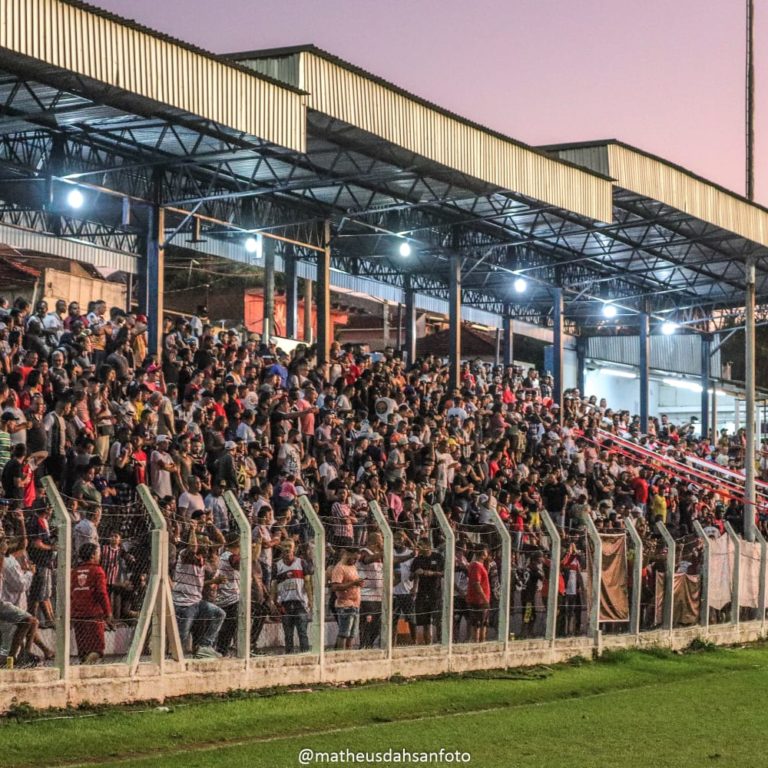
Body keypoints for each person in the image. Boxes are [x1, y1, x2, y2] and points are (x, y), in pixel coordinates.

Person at [171, 523, 226, 658]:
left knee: (219, 614)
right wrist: (192, 530)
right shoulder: (185, 555)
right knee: (181, 638)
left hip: (196, 602)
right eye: (204, 543)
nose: (207, 546)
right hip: (184, 604)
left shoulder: (202, 561)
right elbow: (192, 548)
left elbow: (200, 585)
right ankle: (173, 661)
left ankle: (205, 645)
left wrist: (214, 582)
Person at [70, 542, 113, 664]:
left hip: (77, 614)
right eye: (98, 553)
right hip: (93, 614)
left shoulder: (75, 571)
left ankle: (83, 667)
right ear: (93, 555)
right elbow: (101, 593)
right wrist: (108, 612)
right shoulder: (97, 571)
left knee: (83, 650)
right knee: (98, 650)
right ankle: (85, 668)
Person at [271, 540, 313, 654]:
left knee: (302, 633)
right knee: (288, 634)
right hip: (285, 603)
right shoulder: (277, 565)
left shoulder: (302, 563)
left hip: (300, 602)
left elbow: (308, 583)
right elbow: (273, 585)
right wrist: (273, 602)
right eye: (284, 546)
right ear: (281, 547)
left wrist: (311, 599)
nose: (287, 548)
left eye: (289, 546)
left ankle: (305, 655)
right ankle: (289, 655)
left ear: (294, 548)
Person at [410, 538, 444, 645]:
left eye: (420, 545)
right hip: (422, 594)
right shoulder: (417, 560)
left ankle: (440, 642)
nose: (418, 547)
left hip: (435, 593)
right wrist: (416, 573)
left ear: (427, 546)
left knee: (438, 620)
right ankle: (426, 644)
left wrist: (431, 573)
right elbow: (410, 577)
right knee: (424, 622)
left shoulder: (438, 557)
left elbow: (444, 572)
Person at [330, 546, 363, 650]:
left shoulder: (352, 566)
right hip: (345, 604)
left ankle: (347, 654)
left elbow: (352, 582)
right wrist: (353, 583)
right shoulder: (339, 568)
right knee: (344, 633)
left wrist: (358, 583)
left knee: (351, 635)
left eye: (357, 559)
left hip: (355, 604)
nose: (354, 561)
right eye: (353, 558)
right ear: (346, 554)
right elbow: (335, 587)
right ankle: (340, 654)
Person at [466, 545, 491, 643]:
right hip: (479, 600)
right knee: (478, 624)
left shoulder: (480, 566)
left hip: (480, 599)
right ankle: (477, 643)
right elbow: (476, 584)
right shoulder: (476, 566)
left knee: (483, 623)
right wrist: (485, 598)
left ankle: (481, 643)